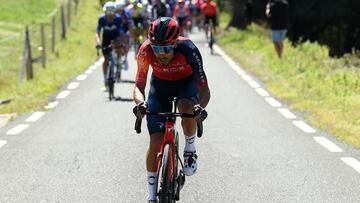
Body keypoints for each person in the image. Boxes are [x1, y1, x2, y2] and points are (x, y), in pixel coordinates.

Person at [133, 17, 210, 202]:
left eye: (166, 48)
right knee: (155, 141)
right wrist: (140, 103)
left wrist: (200, 107)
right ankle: (151, 196)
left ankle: (190, 149)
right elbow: (139, 85)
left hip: (186, 85)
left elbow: (204, 89)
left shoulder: (189, 49)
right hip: (160, 88)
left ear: (175, 43)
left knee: (186, 107)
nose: (161, 54)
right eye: (157, 48)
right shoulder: (145, 50)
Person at [96, 1, 125, 90]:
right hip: (106, 40)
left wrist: (122, 43)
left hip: (116, 38)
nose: (109, 16)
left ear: (114, 12)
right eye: (107, 13)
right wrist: (98, 42)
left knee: (118, 45)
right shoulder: (101, 19)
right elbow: (97, 32)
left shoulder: (118, 19)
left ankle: (119, 61)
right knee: (106, 60)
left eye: (111, 13)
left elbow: (121, 32)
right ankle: (105, 80)